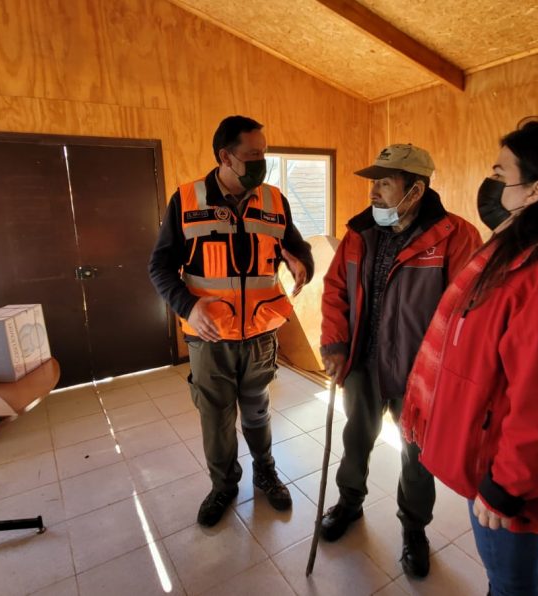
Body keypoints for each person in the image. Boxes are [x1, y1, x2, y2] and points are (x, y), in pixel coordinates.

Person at [402, 118, 538, 595]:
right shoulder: (510, 257)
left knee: (510, 583)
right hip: (486, 458)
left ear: (536, 190)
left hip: (505, 477)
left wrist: (506, 487)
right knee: (502, 576)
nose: (492, 182)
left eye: (502, 174)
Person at [319, 143, 481, 577]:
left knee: (416, 455)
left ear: (415, 190)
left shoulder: (456, 237)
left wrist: (451, 375)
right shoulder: (359, 233)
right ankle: (349, 504)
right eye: (373, 183)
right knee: (357, 439)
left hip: (419, 374)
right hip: (362, 365)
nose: (373, 192)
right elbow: (335, 290)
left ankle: (414, 529)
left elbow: (468, 312)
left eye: (385, 184)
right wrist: (334, 344)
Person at [148, 115, 314, 527]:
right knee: (216, 416)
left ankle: (265, 472)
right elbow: (160, 267)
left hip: (260, 333)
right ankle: (223, 485)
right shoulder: (186, 200)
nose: (262, 162)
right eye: (253, 155)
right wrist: (189, 306)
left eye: (264, 153)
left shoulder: (275, 200)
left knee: (257, 411)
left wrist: (303, 262)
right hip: (211, 337)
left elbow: (294, 246)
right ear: (226, 156)